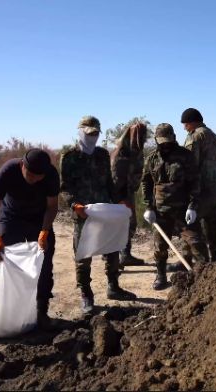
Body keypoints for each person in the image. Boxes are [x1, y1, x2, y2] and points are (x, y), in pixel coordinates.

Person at [60, 115, 137, 317]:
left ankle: (113, 286)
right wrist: (73, 204)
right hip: (83, 214)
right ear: (80, 132)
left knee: (111, 249)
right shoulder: (69, 158)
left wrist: (119, 200)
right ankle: (86, 294)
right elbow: (65, 187)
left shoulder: (102, 155)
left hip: (104, 210)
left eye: (95, 133)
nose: (92, 137)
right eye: (89, 133)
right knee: (83, 256)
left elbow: (109, 184)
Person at [0, 148, 59, 329]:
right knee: (8, 261)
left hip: (39, 218)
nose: (34, 180)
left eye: (38, 176)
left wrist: (44, 231)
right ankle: (10, 313)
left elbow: (52, 206)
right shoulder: (8, 171)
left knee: (44, 263)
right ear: (22, 165)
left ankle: (41, 311)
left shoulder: (50, 174)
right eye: (31, 175)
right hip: (11, 217)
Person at [141, 123, 209, 290]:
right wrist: (148, 207)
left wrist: (193, 206)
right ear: (157, 140)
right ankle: (161, 276)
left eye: (168, 140)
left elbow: (195, 182)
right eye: (162, 141)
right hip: (161, 212)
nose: (166, 144)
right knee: (160, 247)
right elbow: (146, 182)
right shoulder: (151, 158)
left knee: (197, 244)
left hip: (184, 211)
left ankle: (207, 280)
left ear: (174, 138)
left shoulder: (185, 156)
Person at [180, 108, 216, 268]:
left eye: (185, 124)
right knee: (213, 224)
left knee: (189, 223)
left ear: (191, 122)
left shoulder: (196, 136)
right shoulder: (213, 136)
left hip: (202, 190)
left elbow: (189, 164)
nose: (184, 127)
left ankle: (195, 262)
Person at [111, 121, 148, 268]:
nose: (143, 139)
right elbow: (116, 178)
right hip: (121, 195)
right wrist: (121, 199)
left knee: (128, 225)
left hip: (128, 192)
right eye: (141, 136)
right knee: (123, 225)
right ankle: (115, 258)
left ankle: (124, 255)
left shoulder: (134, 151)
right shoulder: (122, 154)